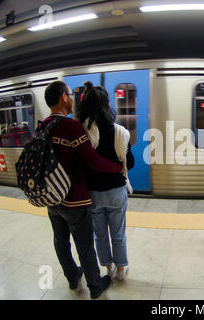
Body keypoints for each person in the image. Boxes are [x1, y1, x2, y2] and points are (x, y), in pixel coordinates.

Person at [43, 81, 125, 299]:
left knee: (60, 240)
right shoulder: (70, 126)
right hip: (73, 197)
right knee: (85, 245)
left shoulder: (44, 125)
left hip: (51, 197)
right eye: (70, 94)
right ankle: (95, 285)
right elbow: (93, 161)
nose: (73, 99)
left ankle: (72, 277)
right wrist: (118, 167)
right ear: (63, 98)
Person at [76, 81, 134, 281]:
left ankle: (107, 266)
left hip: (92, 193)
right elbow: (131, 162)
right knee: (118, 233)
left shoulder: (81, 132)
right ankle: (120, 270)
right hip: (116, 191)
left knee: (99, 234)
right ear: (107, 104)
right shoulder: (119, 131)